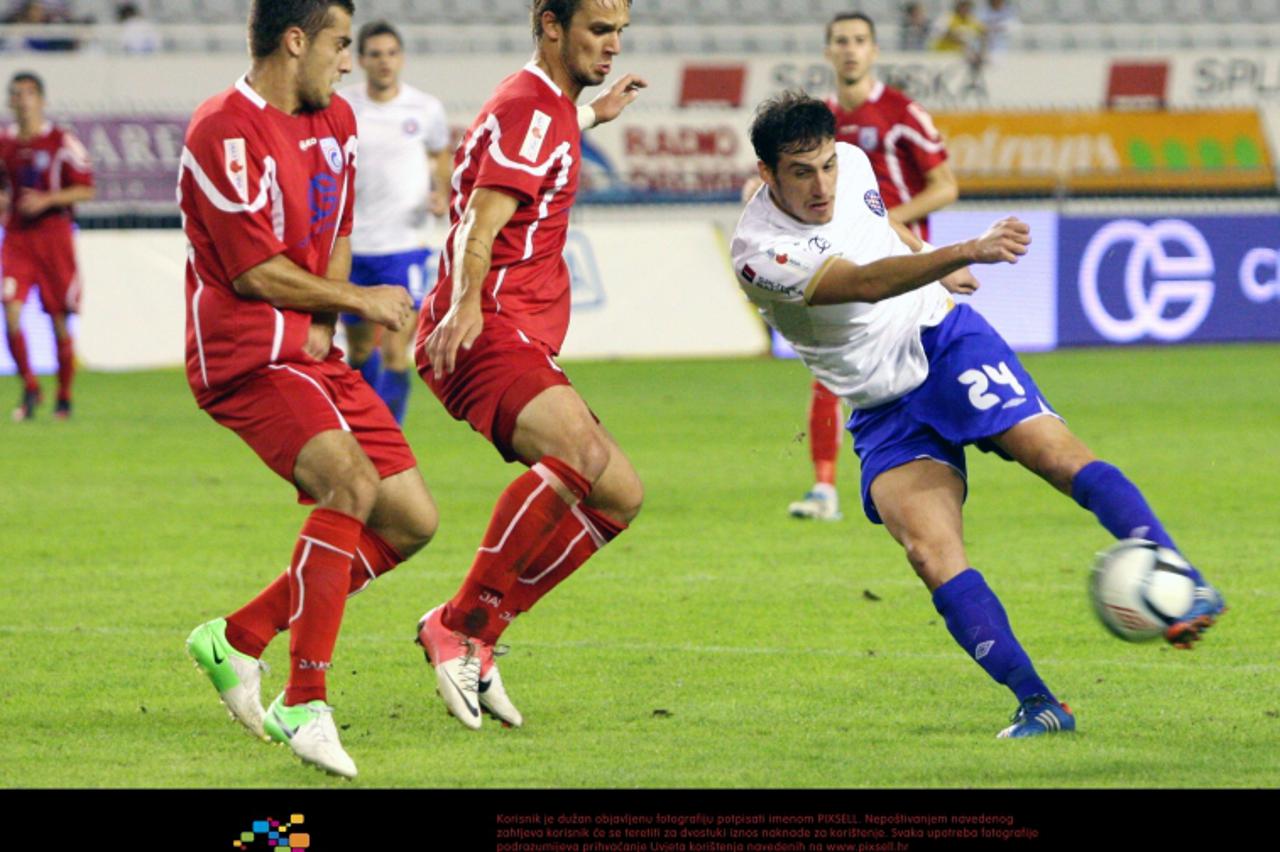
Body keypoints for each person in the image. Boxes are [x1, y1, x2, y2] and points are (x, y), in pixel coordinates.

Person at [730, 92, 1226, 737]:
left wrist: (936, 274)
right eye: (801, 172)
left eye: (825, 165)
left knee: (1057, 456)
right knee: (931, 554)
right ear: (767, 174)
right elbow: (865, 281)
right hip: (881, 405)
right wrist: (964, 252)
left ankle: (1182, 577)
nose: (822, 183)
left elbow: (880, 232)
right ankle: (1041, 704)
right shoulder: (759, 252)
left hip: (943, 340)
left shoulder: (851, 162)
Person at [179, 0, 439, 778]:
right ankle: (305, 697)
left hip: (311, 351)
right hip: (245, 356)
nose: (349, 62)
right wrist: (358, 301)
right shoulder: (222, 128)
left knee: (413, 521)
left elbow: (339, 232)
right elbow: (250, 270)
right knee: (349, 486)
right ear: (296, 42)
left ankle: (238, 638)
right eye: (339, 45)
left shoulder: (336, 122)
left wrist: (332, 311)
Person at [412, 0, 645, 731]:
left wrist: (596, 115)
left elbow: (543, 142)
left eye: (618, 34)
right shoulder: (532, 110)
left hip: (510, 329)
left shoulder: (546, 109)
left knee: (619, 495)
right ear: (551, 25)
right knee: (578, 450)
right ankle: (458, 625)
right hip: (487, 324)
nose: (611, 46)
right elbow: (481, 220)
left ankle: (480, 632)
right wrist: (467, 307)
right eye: (597, 31)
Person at [789, 12, 959, 522]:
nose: (850, 50)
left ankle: (941, 471)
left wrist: (884, 222)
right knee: (830, 372)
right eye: (840, 41)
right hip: (846, 267)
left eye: (859, 41)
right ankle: (824, 489)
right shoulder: (817, 120)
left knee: (928, 372)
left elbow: (945, 184)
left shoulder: (902, 112)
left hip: (907, 268)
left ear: (874, 50)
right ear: (828, 51)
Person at [337, 20, 451, 424]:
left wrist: (441, 190)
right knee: (360, 352)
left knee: (396, 351)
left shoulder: (424, 108)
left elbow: (440, 154)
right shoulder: (344, 107)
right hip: (352, 246)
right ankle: (362, 430)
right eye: (375, 54)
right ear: (361, 60)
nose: (384, 62)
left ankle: (389, 439)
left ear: (400, 58)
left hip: (404, 245)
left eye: (391, 53)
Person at [0, 70, 94, 421]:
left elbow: (86, 188)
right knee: (10, 312)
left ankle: (64, 396)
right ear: (10, 101)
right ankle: (29, 386)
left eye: (28, 93)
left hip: (54, 237)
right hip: (18, 238)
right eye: (16, 94)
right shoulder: (4, 143)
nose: (22, 101)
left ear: (41, 100)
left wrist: (47, 199)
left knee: (58, 320)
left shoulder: (61, 141)